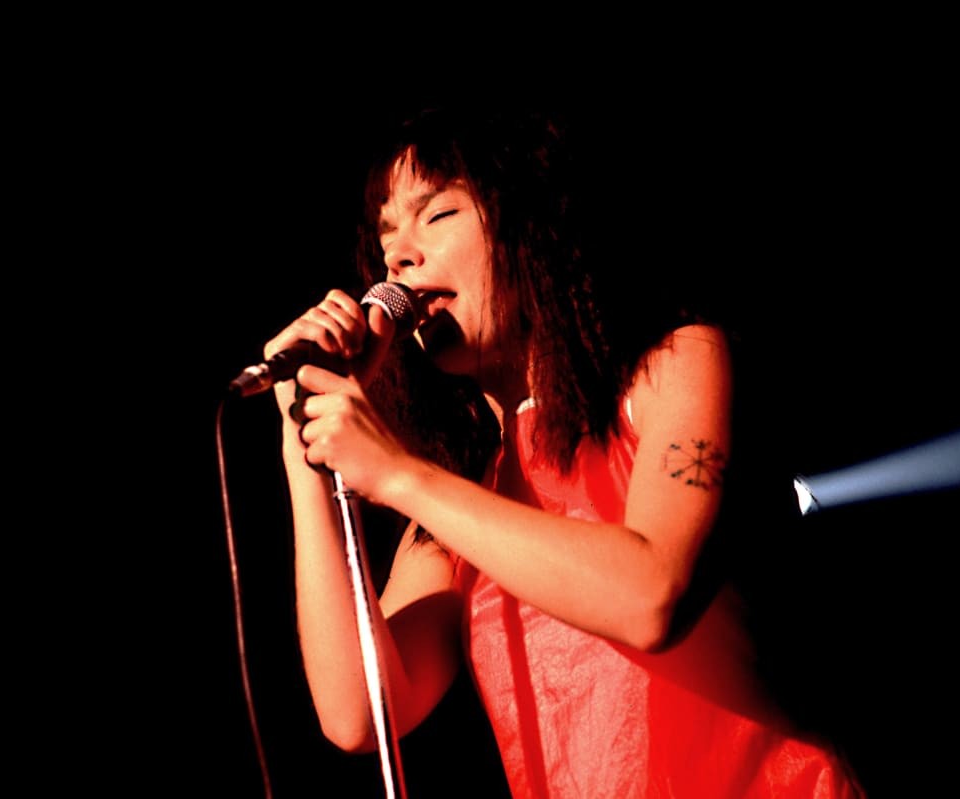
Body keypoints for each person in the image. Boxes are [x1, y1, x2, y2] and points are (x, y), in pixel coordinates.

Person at [262, 107, 865, 798]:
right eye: (387, 234)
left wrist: (399, 475)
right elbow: (361, 711)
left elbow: (650, 596)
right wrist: (299, 438)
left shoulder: (677, 364)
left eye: (437, 216)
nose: (400, 255)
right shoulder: (464, 494)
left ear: (525, 225)